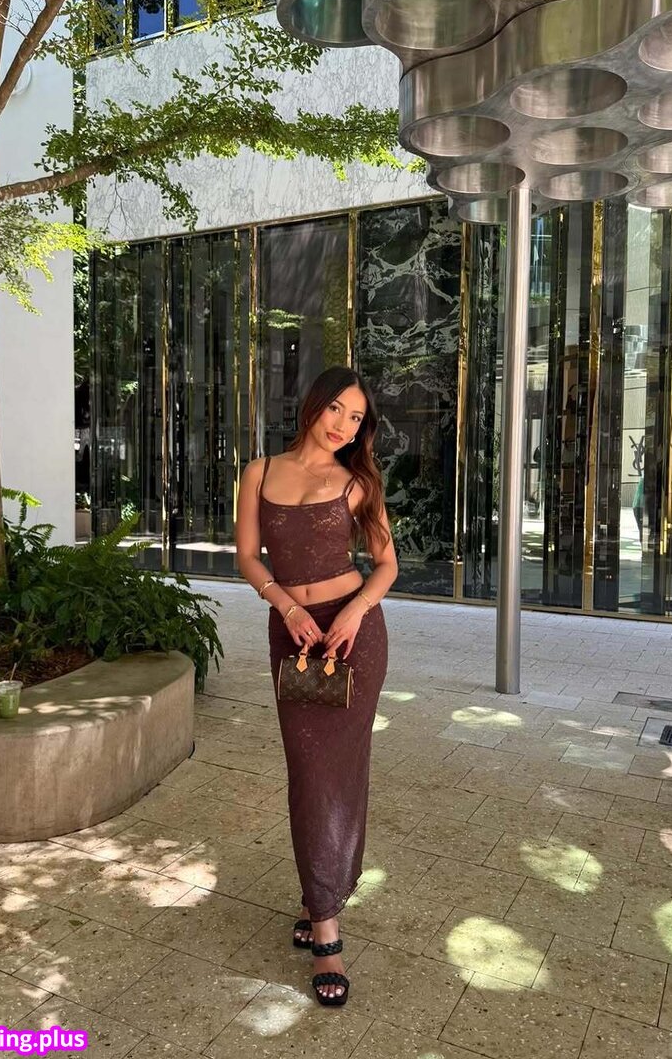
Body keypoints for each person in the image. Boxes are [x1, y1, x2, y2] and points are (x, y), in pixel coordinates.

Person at [235, 365, 398, 1007]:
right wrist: (286, 607)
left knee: (341, 771)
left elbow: (385, 565)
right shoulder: (259, 472)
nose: (343, 426)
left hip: (353, 637)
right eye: (337, 409)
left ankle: (324, 923)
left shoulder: (358, 483)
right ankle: (322, 894)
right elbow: (248, 557)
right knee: (307, 774)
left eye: (356, 418)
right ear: (313, 405)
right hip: (293, 634)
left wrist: (354, 612)